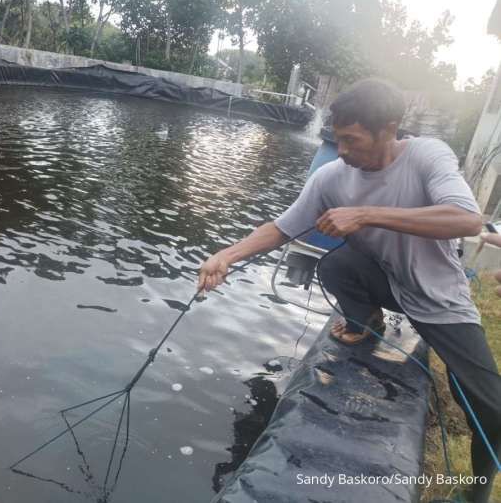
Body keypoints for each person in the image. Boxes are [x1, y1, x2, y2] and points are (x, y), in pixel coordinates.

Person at [197, 78, 501, 502]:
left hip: (439, 301)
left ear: (388, 128)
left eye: (351, 140)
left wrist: (366, 214)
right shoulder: (331, 178)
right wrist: (226, 256)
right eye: (336, 139)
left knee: (492, 411)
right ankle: (366, 319)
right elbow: (282, 228)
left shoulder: (428, 155)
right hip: (389, 284)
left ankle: (474, 495)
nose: (342, 150)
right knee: (338, 263)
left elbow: (466, 220)